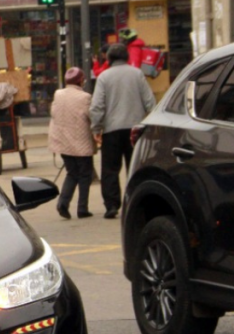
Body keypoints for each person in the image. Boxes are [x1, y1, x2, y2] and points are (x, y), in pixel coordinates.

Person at [90, 44, 156, 219]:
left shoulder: (104, 77)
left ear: (108, 59)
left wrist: (96, 128)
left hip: (111, 130)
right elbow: (151, 102)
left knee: (110, 169)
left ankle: (112, 205)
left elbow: (97, 106)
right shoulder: (137, 74)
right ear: (126, 57)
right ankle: (136, 202)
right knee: (134, 168)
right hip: (136, 130)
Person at [48, 68, 96, 220]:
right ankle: (82, 208)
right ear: (80, 81)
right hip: (81, 143)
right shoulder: (85, 97)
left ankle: (63, 202)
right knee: (85, 175)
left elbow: (53, 113)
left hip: (63, 142)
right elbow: (91, 117)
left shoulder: (58, 94)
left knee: (71, 173)